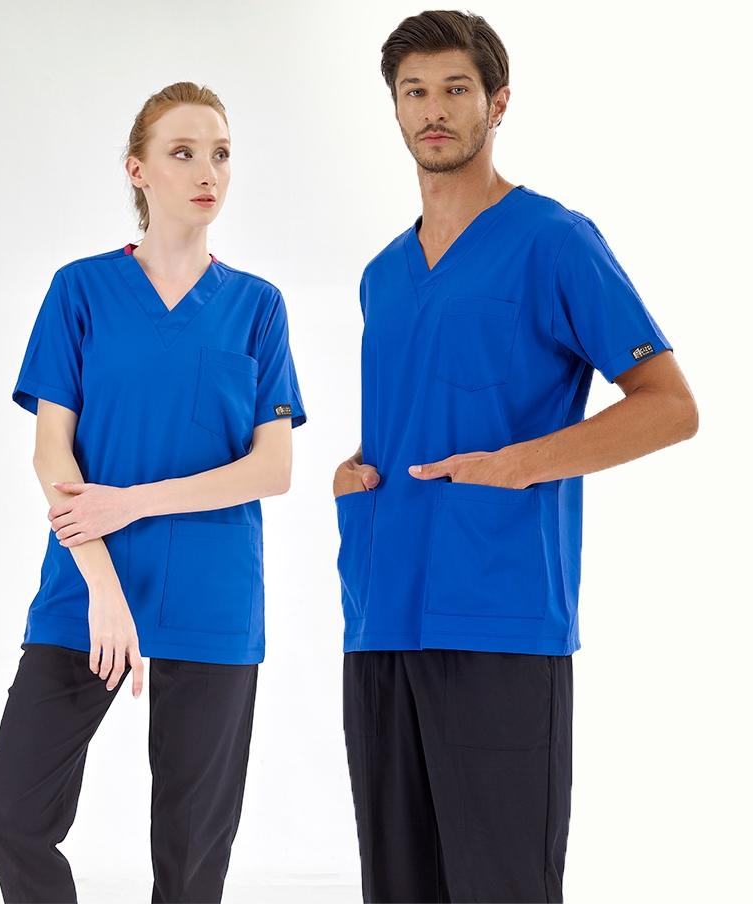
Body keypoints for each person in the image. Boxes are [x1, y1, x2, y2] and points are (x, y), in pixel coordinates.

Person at [333, 11, 697, 904]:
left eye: (455, 89)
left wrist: (522, 464)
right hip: (379, 615)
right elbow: (423, 404)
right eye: (415, 91)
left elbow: (670, 407)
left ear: (497, 103)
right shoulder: (382, 274)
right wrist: (354, 469)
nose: (434, 110)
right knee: (397, 886)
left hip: (499, 614)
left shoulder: (554, 241)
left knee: (502, 886)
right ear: (394, 108)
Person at [0, 81, 306, 904]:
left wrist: (131, 501)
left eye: (221, 154)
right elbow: (51, 452)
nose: (207, 172)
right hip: (88, 583)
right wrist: (103, 587)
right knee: (11, 817)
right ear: (138, 170)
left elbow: (273, 468)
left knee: (191, 862)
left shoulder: (258, 308)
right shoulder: (81, 291)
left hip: (214, 594)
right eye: (182, 152)